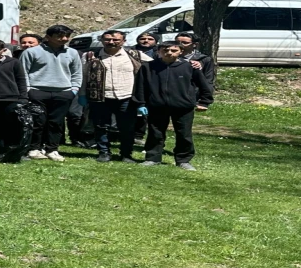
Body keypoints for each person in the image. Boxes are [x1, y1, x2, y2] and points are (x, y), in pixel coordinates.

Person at [133, 41, 214, 170]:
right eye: (165, 50)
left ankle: (183, 160)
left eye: (173, 50)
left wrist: (204, 102)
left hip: (183, 107)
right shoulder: (148, 67)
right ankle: (152, 158)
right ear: (158, 51)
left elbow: (204, 85)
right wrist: (140, 103)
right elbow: (140, 86)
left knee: (184, 134)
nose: (169, 53)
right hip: (157, 106)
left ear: (181, 52)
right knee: (155, 133)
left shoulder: (189, 67)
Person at [80, 30, 151, 163]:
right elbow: (83, 77)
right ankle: (104, 152)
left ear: (123, 41)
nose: (111, 42)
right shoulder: (90, 55)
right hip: (100, 97)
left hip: (127, 96)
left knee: (127, 127)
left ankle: (126, 154)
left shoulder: (135, 55)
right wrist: (82, 94)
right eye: (107, 39)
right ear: (101, 40)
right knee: (101, 126)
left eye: (116, 40)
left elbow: (156, 66)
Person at [20, 25, 83, 161]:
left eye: (66, 36)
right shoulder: (32, 52)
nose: (64, 39)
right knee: (38, 121)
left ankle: (52, 149)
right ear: (48, 37)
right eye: (59, 36)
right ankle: (34, 148)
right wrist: (28, 90)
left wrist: (74, 90)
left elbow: (77, 73)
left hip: (63, 92)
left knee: (56, 123)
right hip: (37, 91)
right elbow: (23, 72)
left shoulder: (72, 53)